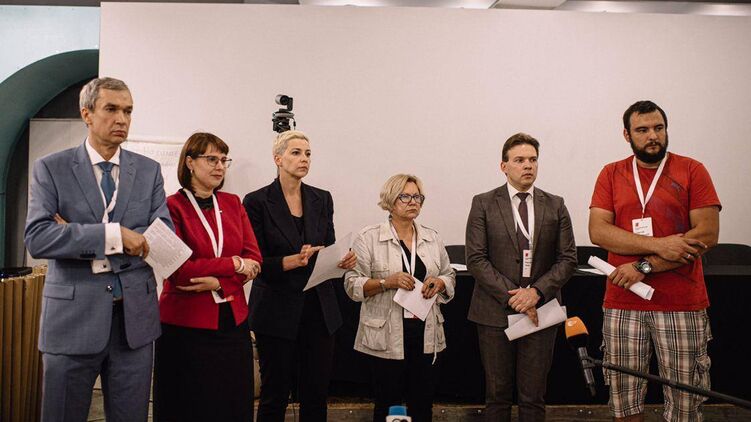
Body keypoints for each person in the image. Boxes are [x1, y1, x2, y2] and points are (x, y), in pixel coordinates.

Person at [24, 77, 172, 422]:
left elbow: (163, 234)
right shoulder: (52, 168)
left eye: (128, 111)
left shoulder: (147, 171)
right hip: (72, 319)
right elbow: (39, 237)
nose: (122, 119)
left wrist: (73, 233)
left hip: (133, 323)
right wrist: (114, 235)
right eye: (111, 109)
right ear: (86, 114)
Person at [589, 101, 721, 422]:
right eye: (643, 130)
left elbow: (706, 234)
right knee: (624, 401)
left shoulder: (692, 170)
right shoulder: (611, 173)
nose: (653, 136)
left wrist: (643, 266)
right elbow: (599, 232)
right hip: (623, 301)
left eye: (658, 128)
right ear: (627, 135)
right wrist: (662, 245)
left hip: (681, 303)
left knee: (685, 402)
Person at [242, 130, 356, 422]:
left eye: (308, 154)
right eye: (296, 152)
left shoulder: (322, 198)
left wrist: (341, 260)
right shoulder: (256, 201)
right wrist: (292, 261)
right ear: (277, 159)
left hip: (319, 308)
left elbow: (328, 246)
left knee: (316, 395)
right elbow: (254, 261)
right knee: (275, 394)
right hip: (276, 309)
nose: (304, 159)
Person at [466, 133, 577, 422]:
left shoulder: (555, 204)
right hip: (494, 313)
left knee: (533, 397)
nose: (528, 165)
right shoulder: (483, 203)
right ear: (503, 166)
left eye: (533, 159)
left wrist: (535, 293)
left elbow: (568, 259)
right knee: (497, 396)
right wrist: (516, 298)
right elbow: (476, 259)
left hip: (541, 312)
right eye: (519, 160)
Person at [153, 132, 263, 421]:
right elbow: (180, 271)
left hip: (232, 322)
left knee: (232, 405)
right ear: (190, 162)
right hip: (185, 326)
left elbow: (254, 259)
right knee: (189, 406)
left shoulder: (233, 203)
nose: (220, 166)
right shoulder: (170, 207)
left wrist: (219, 281)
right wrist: (233, 264)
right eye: (212, 159)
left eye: (224, 160)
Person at [344, 173, 456, 422]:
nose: (413, 202)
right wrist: (387, 282)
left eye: (417, 197)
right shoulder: (369, 237)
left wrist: (440, 283)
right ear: (391, 200)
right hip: (386, 335)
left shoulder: (432, 237)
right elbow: (352, 285)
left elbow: (449, 275)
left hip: (426, 333)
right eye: (405, 196)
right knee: (388, 405)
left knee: (422, 405)